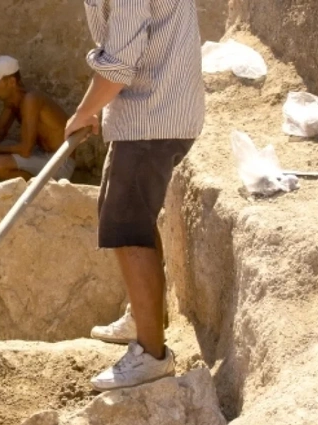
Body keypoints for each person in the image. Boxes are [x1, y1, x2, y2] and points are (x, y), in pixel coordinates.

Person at [64, 0, 205, 391]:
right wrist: (97, 105)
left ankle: (151, 355)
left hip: (152, 117)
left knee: (127, 228)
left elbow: (120, 63)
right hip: (151, 114)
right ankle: (144, 320)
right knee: (131, 220)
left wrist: (84, 112)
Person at [0, 55, 76, 181]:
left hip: (60, 163)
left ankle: (44, 189)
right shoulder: (13, 101)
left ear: (12, 82)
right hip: (40, 153)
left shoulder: (31, 100)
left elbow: (26, 150)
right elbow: (0, 130)